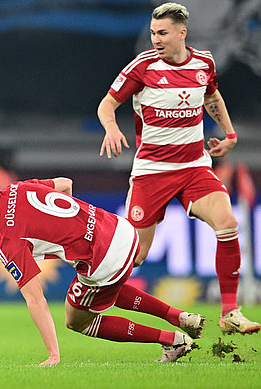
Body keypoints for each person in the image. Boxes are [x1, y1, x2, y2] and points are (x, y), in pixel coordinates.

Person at [97, 2, 259, 334]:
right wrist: (112, 128)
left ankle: (229, 313)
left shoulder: (204, 62)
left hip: (194, 167)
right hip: (151, 172)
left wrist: (229, 134)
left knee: (227, 222)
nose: (155, 39)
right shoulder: (141, 67)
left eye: (163, 33)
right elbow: (107, 103)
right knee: (135, 256)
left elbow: (212, 97)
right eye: (153, 32)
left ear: (182, 33)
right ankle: (93, 291)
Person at [0, 171, 205, 365]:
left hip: (104, 258)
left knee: (77, 320)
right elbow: (65, 184)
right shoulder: (16, 188)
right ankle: (178, 316)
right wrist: (73, 234)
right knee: (103, 289)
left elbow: (36, 299)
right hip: (120, 228)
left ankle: (172, 340)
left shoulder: (5, 238)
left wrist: (53, 354)